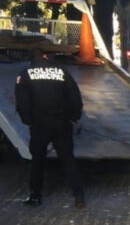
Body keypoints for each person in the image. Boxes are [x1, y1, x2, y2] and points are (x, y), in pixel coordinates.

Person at [15, 47, 85, 208]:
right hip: (62, 123)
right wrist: (74, 118)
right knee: (68, 159)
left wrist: (28, 121)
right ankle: (79, 195)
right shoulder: (62, 72)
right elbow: (75, 96)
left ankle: (35, 196)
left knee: (37, 161)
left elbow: (22, 102)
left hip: (39, 124)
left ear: (31, 58)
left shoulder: (25, 74)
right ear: (46, 57)